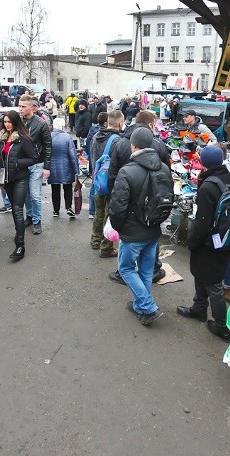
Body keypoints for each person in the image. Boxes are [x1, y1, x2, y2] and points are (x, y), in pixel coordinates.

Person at [176, 144, 230, 342]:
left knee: (213, 283)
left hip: (209, 241)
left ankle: (221, 325)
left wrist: (193, 241)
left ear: (203, 163)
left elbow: (203, 221)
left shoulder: (208, 186)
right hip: (226, 237)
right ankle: (199, 308)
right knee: (202, 274)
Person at [108, 127, 170, 326]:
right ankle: (141, 307)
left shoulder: (127, 171)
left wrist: (119, 228)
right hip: (153, 229)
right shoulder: (164, 168)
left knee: (125, 269)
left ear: (133, 146)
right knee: (145, 270)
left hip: (133, 232)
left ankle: (147, 305)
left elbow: (117, 207)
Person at [107, 110, 170, 276]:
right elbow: (166, 175)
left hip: (126, 203)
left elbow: (112, 173)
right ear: (150, 124)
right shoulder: (158, 145)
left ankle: (128, 275)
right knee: (149, 238)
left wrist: (113, 203)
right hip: (152, 203)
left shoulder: (120, 143)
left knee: (128, 244)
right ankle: (154, 268)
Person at [0, 110, 39, 261]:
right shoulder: (2, 137)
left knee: (17, 210)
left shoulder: (23, 139)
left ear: (16, 122)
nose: (7, 124)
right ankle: (18, 234)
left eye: (10, 122)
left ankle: (20, 245)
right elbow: (1, 158)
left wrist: (17, 163)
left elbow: (35, 158)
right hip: (8, 180)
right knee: (15, 210)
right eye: (5, 122)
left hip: (21, 178)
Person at [90, 110, 123, 257]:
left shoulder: (96, 136)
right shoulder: (118, 141)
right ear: (121, 124)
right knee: (109, 215)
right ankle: (106, 247)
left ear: (108, 122)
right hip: (111, 183)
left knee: (99, 212)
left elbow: (93, 158)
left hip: (98, 181)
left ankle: (95, 240)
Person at [18, 94, 52, 235]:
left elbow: (48, 146)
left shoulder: (41, 123)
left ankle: (37, 220)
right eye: (19, 106)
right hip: (22, 164)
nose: (20, 109)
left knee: (35, 195)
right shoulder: (18, 122)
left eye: (23, 106)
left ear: (32, 107)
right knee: (25, 194)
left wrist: (47, 167)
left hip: (37, 164)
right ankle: (30, 216)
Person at [48, 117, 79, 218]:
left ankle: (56, 210)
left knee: (55, 188)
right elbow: (72, 155)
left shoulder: (49, 136)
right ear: (62, 126)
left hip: (52, 167)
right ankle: (68, 207)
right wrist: (76, 170)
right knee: (67, 187)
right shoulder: (67, 137)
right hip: (66, 167)